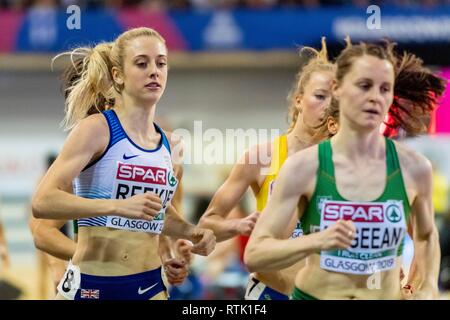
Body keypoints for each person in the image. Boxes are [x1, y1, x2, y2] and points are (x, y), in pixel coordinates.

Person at [245, 39, 446, 299]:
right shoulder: (303, 167)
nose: (375, 96)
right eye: (364, 86)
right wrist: (316, 241)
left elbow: (427, 236)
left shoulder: (415, 168)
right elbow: (256, 254)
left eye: (385, 89)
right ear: (337, 89)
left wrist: (427, 285)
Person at [31, 27, 215, 300]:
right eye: (142, 63)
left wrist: (192, 233)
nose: (154, 71)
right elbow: (42, 202)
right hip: (92, 284)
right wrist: (116, 205)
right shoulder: (96, 129)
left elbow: (161, 214)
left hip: (149, 284)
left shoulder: (173, 145)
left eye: (161, 63)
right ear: (118, 75)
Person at [198, 38, 337, 300]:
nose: (328, 106)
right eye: (319, 96)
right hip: (271, 292)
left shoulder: (343, 163)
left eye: (335, 99)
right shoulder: (263, 157)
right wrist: (241, 225)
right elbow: (208, 223)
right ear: (298, 100)